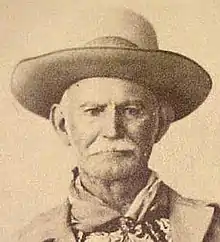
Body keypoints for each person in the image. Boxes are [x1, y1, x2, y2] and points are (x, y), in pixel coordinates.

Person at [11, 7, 220, 242]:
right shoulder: (28, 239)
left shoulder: (211, 229)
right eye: (93, 111)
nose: (112, 130)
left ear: (161, 122)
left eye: (131, 111)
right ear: (62, 124)